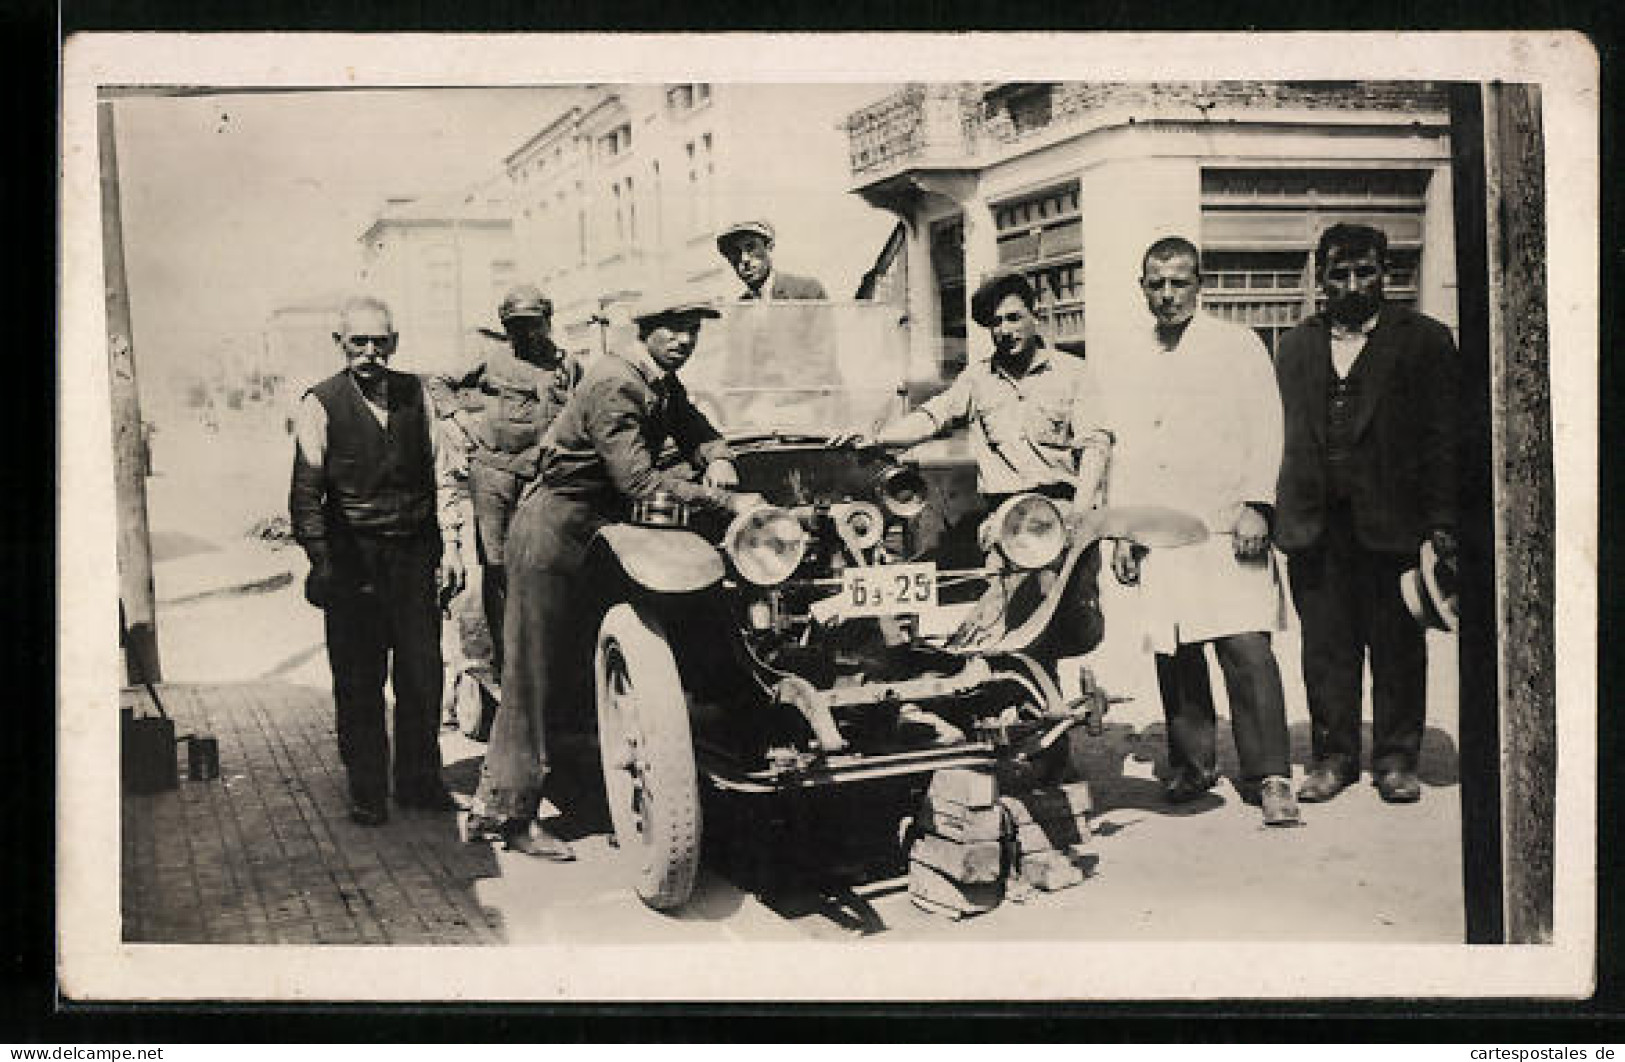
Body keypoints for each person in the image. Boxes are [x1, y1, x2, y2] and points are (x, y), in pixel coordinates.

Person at [465, 291, 764, 858]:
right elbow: (641, 485)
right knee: (532, 677)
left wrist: (718, 453)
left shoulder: (655, 380)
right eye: (672, 328)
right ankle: (506, 815)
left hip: (594, 539)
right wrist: (730, 503)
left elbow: (693, 423)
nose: (684, 340)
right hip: (553, 537)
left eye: (692, 331)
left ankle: (577, 790)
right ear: (646, 330)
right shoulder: (615, 384)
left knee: (576, 670)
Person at [1093, 237, 1299, 827]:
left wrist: (1257, 505)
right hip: (1161, 531)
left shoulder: (1237, 346)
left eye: (1178, 282)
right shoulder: (1131, 355)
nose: (1167, 294)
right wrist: (1125, 532)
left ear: (1199, 284)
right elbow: (1123, 449)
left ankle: (1272, 775)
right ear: (1142, 288)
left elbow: (1267, 428)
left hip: (1227, 525)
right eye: (1156, 283)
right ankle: (1192, 765)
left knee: (1246, 649)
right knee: (1175, 651)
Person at [1274, 223, 1459, 805]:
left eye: (1365, 272)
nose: (1352, 284)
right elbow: (1277, 435)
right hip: (1317, 527)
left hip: (1394, 528)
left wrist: (1443, 523)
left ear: (1387, 273)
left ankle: (1397, 759)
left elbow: (1447, 438)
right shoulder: (1297, 344)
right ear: (1320, 278)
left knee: (1398, 644)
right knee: (1327, 648)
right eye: (1339, 273)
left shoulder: (1425, 340)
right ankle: (1333, 758)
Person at [846, 269, 1110, 657]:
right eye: (996, 323)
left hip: (1061, 511)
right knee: (1009, 621)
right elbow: (932, 417)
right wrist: (879, 438)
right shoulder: (977, 379)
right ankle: (1015, 697)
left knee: (1074, 623)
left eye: (1014, 318)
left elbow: (1095, 448)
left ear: (1035, 316)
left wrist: (1078, 516)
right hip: (1005, 516)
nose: (1005, 329)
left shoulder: (1074, 374)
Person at [288, 296, 467, 826]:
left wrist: (452, 546)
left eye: (380, 342)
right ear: (340, 343)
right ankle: (366, 787)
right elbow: (305, 493)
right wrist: (322, 561)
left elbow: (443, 476)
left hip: (414, 554)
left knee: (421, 673)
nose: (370, 352)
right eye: (358, 342)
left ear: (394, 342)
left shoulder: (420, 395)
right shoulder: (320, 403)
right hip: (354, 561)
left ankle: (418, 781)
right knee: (360, 678)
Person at [431, 285, 580, 687]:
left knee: (546, 564)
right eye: (517, 327)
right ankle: (507, 664)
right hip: (494, 476)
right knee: (498, 570)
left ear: (548, 321)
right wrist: (457, 418)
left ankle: (549, 661)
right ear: (506, 327)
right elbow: (439, 383)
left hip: (543, 476)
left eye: (534, 325)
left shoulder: (566, 365)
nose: (527, 335)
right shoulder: (490, 357)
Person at [715, 219, 828, 301]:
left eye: (751, 247)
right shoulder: (740, 308)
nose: (744, 259)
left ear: (769, 246)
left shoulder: (806, 290)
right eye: (735, 252)